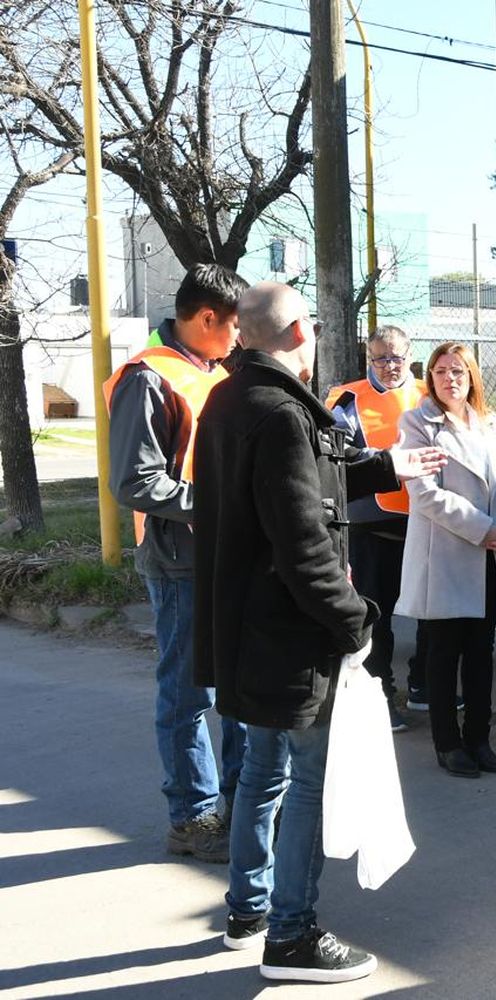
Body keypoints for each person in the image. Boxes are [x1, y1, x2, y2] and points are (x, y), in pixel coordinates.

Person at [192, 281, 444, 983]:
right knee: (304, 779)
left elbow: (308, 482)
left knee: (263, 773)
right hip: (288, 636)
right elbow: (303, 543)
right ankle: (293, 936)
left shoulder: (230, 398)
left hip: (249, 632)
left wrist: (388, 465)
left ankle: (250, 910)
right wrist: (356, 623)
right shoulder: (279, 414)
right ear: (300, 334)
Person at [104, 263, 249, 863]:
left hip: (223, 553)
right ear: (207, 317)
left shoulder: (211, 371)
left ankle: (242, 803)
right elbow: (135, 481)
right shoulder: (148, 377)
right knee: (190, 694)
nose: (240, 339)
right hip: (179, 561)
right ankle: (192, 818)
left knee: (238, 689)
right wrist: (218, 506)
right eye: (234, 326)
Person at [395, 342, 496, 778]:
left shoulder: (488, 422)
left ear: (472, 377)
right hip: (447, 556)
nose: (450, 379)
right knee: (444, 654)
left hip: (489, 555)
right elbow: (424, 493)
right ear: (430, 378)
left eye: (459, 371)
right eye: (441, 371)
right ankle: (447, 743)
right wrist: (482, 528)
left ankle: (479, 739)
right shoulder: (417, 422)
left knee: (482, 653)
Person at [324, 324, 429, 731]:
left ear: (410, 355)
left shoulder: (426, 392)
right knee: (377, 616)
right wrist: (385, 459)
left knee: (431, 612)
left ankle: (423, 685)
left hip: (424, 519)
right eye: (380, 358)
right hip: (373, 526)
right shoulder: (346, 398)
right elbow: (339, 452)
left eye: (396, 357)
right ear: (369, 358)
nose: (389, 365)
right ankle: (381, 695)